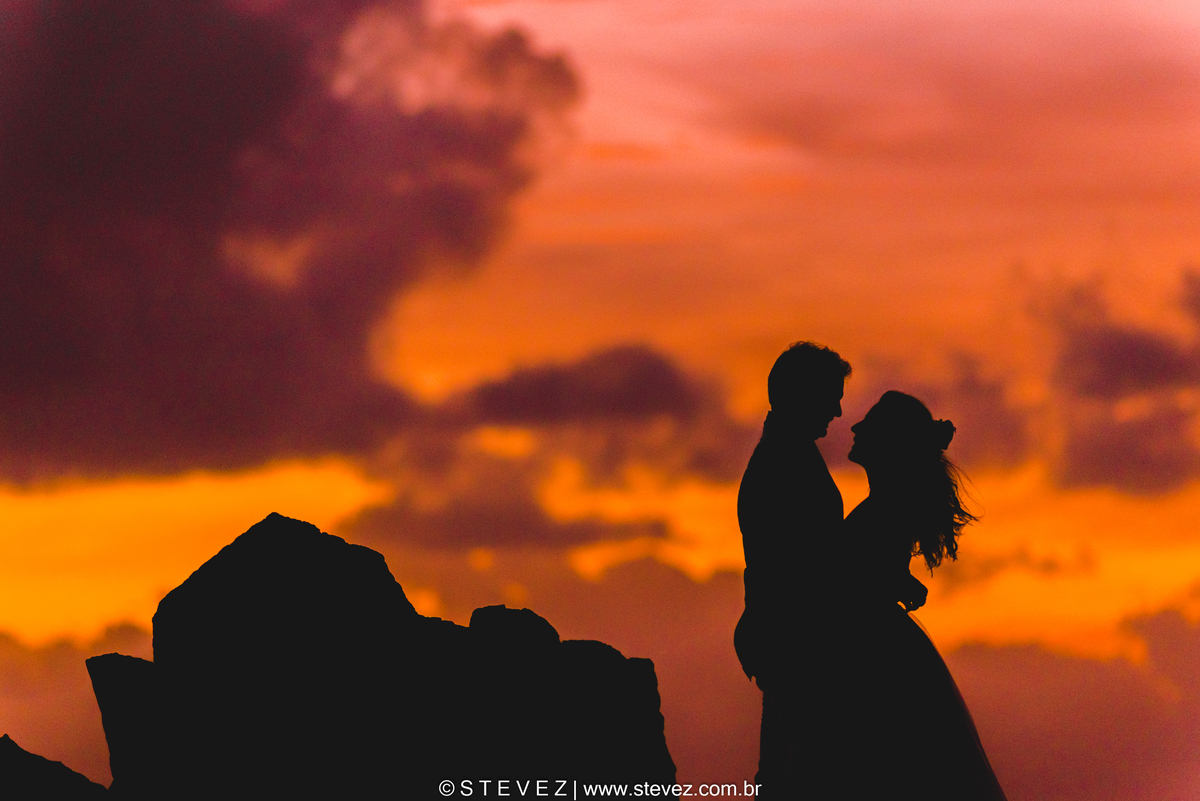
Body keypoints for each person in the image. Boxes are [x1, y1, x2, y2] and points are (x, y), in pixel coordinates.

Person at [836, 390, 1008, 800]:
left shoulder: (886, 507)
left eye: (871, 423)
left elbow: (857, 576)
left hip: (872, 653)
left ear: (890, 442)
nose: (857, 427)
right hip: (880, 644)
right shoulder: (886, 505)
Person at [734, 341, 851, 791]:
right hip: (794, 637)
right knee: (807, 762)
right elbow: (801, 562)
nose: (838, 411)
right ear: (802, 394)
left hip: (784, 636)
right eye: (830, 396)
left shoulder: (787, 454)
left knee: (785, 765)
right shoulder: (784, 462)